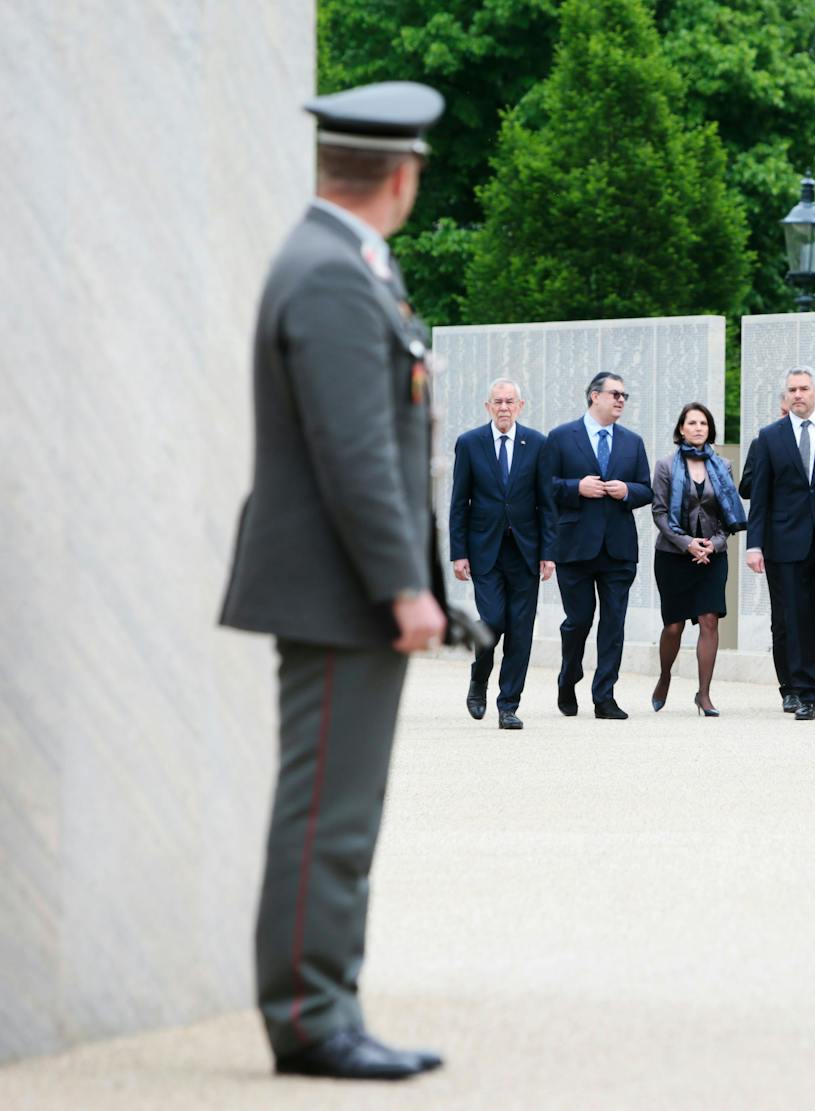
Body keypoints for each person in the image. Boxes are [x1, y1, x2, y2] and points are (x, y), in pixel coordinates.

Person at [219, 81, 447, 1080]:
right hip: (339, 588)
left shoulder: (337, 264)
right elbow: (353, 449)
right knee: (328, 811)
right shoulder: (329, 274)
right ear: (402, 177)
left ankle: (325, 1002)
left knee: (337, 808)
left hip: (337, 583)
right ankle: (311, 1016)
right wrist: (403, 585)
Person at [744, 366, 815, 721]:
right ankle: (806, 692)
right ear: (786, 395)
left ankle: (808, 674)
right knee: (795, 618)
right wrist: (754, 544)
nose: (798, 395)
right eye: (792, 389)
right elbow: (759, 495)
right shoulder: (769, 437)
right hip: (784, 543)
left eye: (804, 388)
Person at [540, 372, 652, 720]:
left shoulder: (632, 442)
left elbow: (646, 489)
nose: (621, 400)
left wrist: (627, 492)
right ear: (594, 396)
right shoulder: (561, 437)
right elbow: (544, 487)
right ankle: (568, 675)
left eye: (624, 395)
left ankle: (604, 696)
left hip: (618, 549)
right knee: (578, 620)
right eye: (615, 394)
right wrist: (576, 487)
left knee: (614, 622)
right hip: (575, 545)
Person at [449, 377, 554, 730]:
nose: (504, 407)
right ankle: (480, 678)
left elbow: (547, 503)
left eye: (510, 401)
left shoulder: (537, 444)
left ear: (520, 406)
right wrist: (458, 552)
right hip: (485, 551)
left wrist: (548, 552)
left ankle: (508, 704)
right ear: (488, 407)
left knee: (521, 630)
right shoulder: (470, 443)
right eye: (498, 401)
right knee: (493, 620)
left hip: (525, 550)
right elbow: (458, 503)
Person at [650, 402, 745, 716]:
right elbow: (660, 513)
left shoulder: (723, 465)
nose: (698, 428)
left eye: (703, 423)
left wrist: (712, 546)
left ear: (709, 429)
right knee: (674, 627)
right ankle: (665, 676)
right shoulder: (665, 466)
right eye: (692, 422)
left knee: (709, 620)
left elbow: (728, 515)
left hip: (712, 556)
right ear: (681, 429)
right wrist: (688, 544)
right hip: (673, 555)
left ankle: (704, 694)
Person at [738, 390, 793, 710]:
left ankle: (809, 674)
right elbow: (747, 487)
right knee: (784, 617)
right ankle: (789, 684)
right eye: (783, 413)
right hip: (779, 540)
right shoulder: (765, 442)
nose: (788, 419)